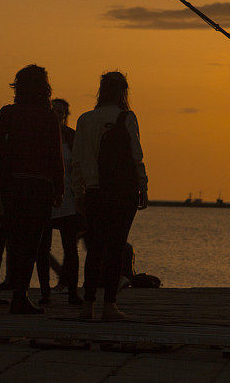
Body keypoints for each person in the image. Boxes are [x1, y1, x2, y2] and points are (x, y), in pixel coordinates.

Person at [0, 65, 64, 314]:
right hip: (40, 185)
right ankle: (20, 294)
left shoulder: (8, 113)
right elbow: (56, 154)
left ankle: (0, 292)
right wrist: (59, 187)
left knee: (13, 239)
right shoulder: (49, 115)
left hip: (13, 184)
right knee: (32, 243)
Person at [72, 71, 149, 321]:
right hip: (122, 192)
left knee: (95, 250)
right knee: (116, 247)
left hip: (94, 192)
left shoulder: (84, 120)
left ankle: (87, 305)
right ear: (123, 92)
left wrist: (78, 193)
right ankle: (110, 306)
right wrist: (143, 186)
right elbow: (136, 156)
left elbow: (77, 161)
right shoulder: (126, 117)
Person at [35, 98, 85, 306]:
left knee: (70, 248)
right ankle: (45, 292)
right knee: (42, 247)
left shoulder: (71, 136)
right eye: (53, 111)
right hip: (45, 198)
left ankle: (73, 291)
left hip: (68, 199)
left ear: (65, 115)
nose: (57, 115)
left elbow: (79, 166)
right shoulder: (39, 136)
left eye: (61, 112)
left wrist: (80, 195)